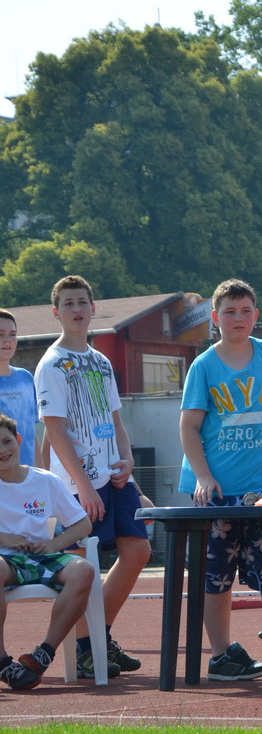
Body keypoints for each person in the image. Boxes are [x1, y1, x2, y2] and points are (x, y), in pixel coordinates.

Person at [179, 278, 262, 682]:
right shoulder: (204, 365)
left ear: (256, 316)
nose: (238, 318)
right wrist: (202, 475)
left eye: (246, 311)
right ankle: (221, 656)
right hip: (217, 489)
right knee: (216, 575)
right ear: (215, 317)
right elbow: (188, 425)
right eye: (230, 311)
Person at [35, 275, 151, 680]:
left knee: (138, 550)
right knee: (85, 565)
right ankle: (88, 650)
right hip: (78, 483)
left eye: (82, 302)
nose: (77, 309)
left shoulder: (101, 362)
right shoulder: (51, 364)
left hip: (115, 475)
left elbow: (116, 421)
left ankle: (100, 636)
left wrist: (128, 461)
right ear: (56, 312)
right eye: (68, 303)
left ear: (93, 308)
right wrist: (82, 487)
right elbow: (54, 430)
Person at [0, 413, 95, 691]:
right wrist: (4, 537)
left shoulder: (46, 480)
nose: (2, 451)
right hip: (5, 561)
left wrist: (53, 544)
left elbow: (83, 524)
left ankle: (43, 654)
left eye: (6, 442)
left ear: (18, 440)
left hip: (43, 556)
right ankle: (2, 662)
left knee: (84, 570)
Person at [0, 309, 43, 467]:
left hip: (28, 475)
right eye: (0, 334)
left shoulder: (25, 378)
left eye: (12, 334)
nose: (7, 340)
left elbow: (31, 434)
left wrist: (42, 474)